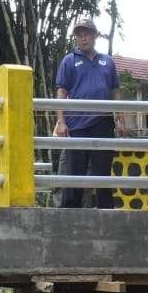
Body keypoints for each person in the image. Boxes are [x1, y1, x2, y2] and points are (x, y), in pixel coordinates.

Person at [53, 15, 126, 209]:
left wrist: (119, 116)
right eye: (79, 35)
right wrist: (61, 121)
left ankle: (106, 213)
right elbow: (61, 91)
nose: (83, 38)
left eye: (87, 34)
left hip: (103, 122)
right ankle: (71, 214)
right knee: (74, 173)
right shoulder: (69, 60)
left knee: (102, 173)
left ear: (95, 36)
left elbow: (115, 91)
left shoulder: (107, 61)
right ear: (76, 38)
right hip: (76, 124)